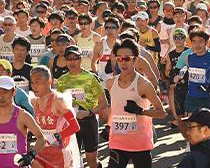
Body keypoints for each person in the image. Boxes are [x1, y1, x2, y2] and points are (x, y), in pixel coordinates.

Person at [105, 38, 167, 168]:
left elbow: (162, 113)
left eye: (127, 59)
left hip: (139, 144)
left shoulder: (144, 85)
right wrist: (108, 126)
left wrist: (141, 111)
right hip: (117, 142)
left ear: (136, 59)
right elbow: (114, 107)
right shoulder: (110, 83)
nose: (123, 63)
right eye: (119, 59)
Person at [0, 76, 47, 168]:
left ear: (14, 92)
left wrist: (31, 154)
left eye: (5, 92)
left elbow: (42, 137)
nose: (1, 96)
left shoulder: (23, 116)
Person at [55, 47, 108, 168]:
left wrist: (89, 112)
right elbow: (58, 103)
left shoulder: (90, 78)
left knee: (92, 163)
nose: (72, 62)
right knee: (72, 162)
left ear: (81, 59)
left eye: (75, 58)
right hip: (70, 125)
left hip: (88, 122)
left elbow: (104, 103)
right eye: (69, 58)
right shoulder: (62, 81)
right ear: (65, 60)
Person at [30, 67, 81, 168]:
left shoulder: (58, 100)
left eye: (37, 82)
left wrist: (55, 136)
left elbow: (75, 126)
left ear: (48, 82)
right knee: (32, 163)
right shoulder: (35, 101)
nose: (34, 86)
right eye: (32, 82)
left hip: (60, 154)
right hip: (42, 153)